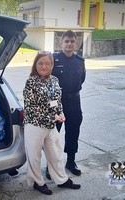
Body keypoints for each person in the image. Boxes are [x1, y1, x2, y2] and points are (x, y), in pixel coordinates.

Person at [23, 51, 81, 195]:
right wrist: (52, 118)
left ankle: (62, 180)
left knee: (56, 153)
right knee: (34, 157)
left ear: (51, 65)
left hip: (50, 125)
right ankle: (37, 182)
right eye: (40, 63)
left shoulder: (54, 80)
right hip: (35, 125)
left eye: (47, 63)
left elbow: (56, 101)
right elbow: (30, 107)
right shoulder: (31, 81)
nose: (43, 66)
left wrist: (60, 112)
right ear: (35, 65)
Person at [46, 30, 86, 179]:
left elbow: (82, 79)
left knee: (73, 131)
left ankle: (71, 162)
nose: (69, 44)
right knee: (52, 134)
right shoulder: (53, 59)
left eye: (72, 41)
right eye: (66, 41)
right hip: (56, 102)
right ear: (61, 43)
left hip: (74, 100)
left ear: (76, 43)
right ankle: (51, 166)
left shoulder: (80, 60)